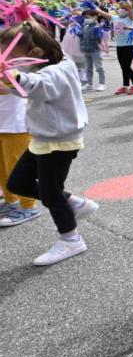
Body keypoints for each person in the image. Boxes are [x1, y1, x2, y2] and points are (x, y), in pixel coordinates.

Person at [0, 21, 97, 266]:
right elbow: (25, 83)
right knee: (18, 182)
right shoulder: (53, 59)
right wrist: (26, 18)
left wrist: (9, 73)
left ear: (35, 53)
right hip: (45, 137)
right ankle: (74, 202)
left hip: (60, 141)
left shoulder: (56, 71)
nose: (7, 61)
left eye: (11, 57)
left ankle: (71, 239)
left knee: (51, 193)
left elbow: (35, 85)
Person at [0, 93, 40, 227]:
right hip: (3, 120)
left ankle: (28, 205)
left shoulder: (16, 71)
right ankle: (11, 200)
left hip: (15, 124)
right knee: (2, 167)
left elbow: (21, 84)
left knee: (16, 167)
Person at [79, 9, 107, 92]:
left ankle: (102, 83)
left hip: (95, 50)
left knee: (99, 67)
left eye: (88, 17)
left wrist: (98, 31)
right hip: (86, 49)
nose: (86, 19)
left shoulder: (97, 27)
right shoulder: (85, 26)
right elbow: (81, 37)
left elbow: (98, 40)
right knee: (88, 68)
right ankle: (89, 84)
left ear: (94, 17)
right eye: (85, 17)